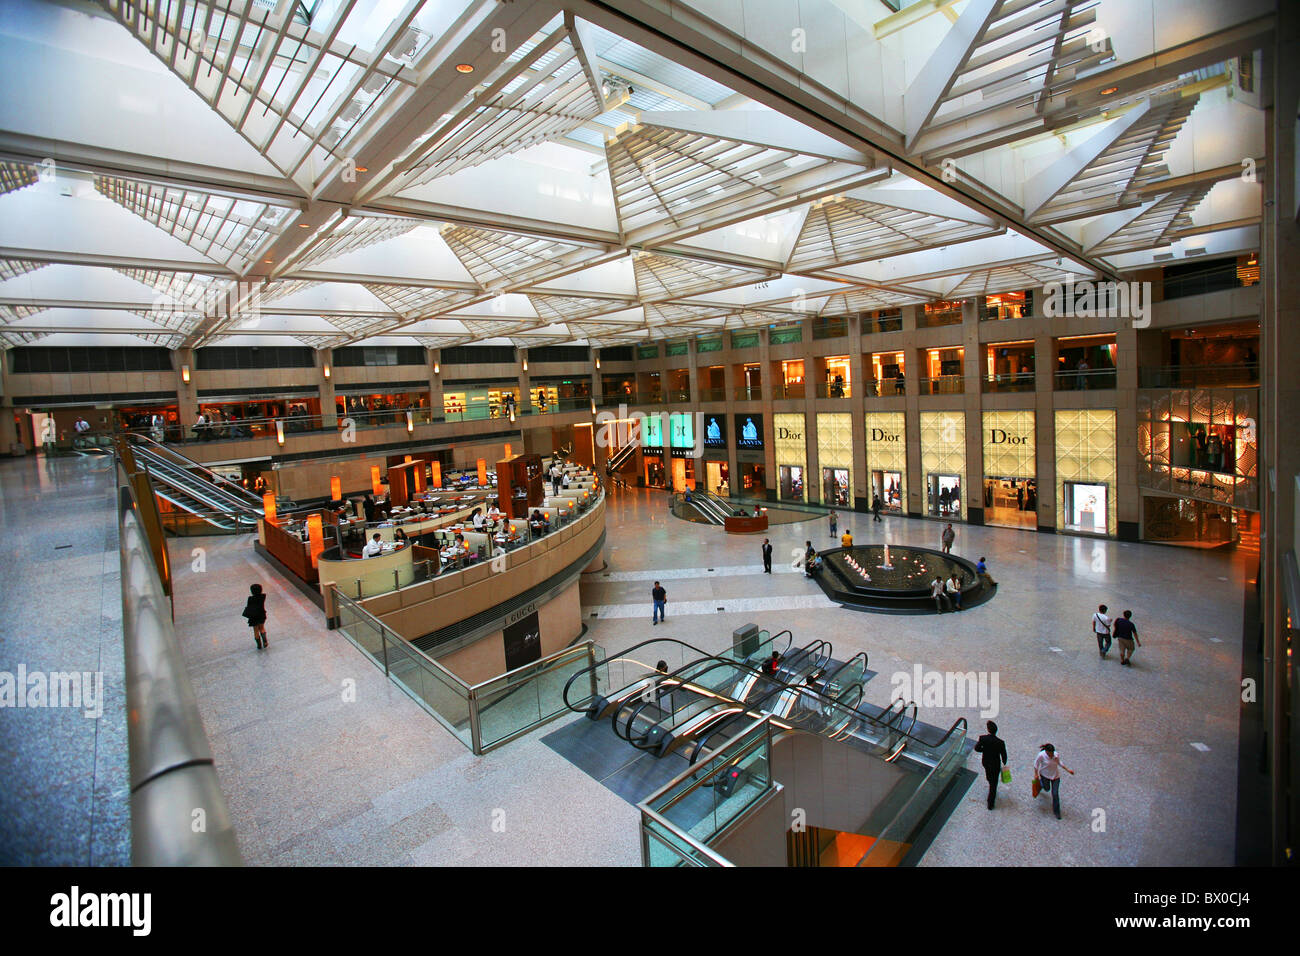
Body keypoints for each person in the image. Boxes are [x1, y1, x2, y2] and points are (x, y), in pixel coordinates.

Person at [1033, 743, 1075, 820]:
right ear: (1046, 752)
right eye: (1050, 753)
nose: (1051, 755)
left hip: (1055, 776)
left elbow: (1060, 763)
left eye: (1052, 753)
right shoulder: (1041, 755)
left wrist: (1068, 770)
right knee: (1046, 788)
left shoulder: (1056, 755)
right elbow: (1036, 764)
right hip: (1045, 775)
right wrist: (1036, 774)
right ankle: (1041, 784)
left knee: (1055, 793)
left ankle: (1057, 811)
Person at [973, 720, 1008, 810]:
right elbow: (1004, 755)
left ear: (988, 730)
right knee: (994, 784)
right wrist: (1004, 762)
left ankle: (990, 781)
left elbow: (976, 748)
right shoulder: (1000, 742)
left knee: (989, 776)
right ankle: (990, 803)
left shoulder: (983, 738)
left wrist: (984, 750)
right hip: (995, 764)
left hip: (986, 762)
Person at [241, 583, 268, 650]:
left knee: (255, 630)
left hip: (253, 617)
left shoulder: (250, 599)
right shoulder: (263, 596)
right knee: (262, 628)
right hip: (261, 614)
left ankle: (259, 645)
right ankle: (265, 641)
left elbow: (249, 606)